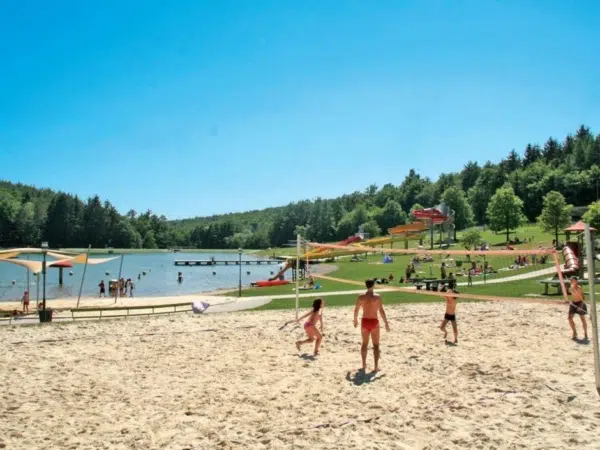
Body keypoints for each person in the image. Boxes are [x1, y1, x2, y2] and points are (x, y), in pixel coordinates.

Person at [353, 279, 390, 372]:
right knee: (376, 345)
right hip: (374, 321)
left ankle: (364, 364)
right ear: (373, 285)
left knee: (364, 344)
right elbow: (381, 311)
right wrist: (386, 323)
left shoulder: (361, 297)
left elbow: (356, 310)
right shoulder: (377, 297)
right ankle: (376, 366)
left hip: (365, 321)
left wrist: (355, 320)